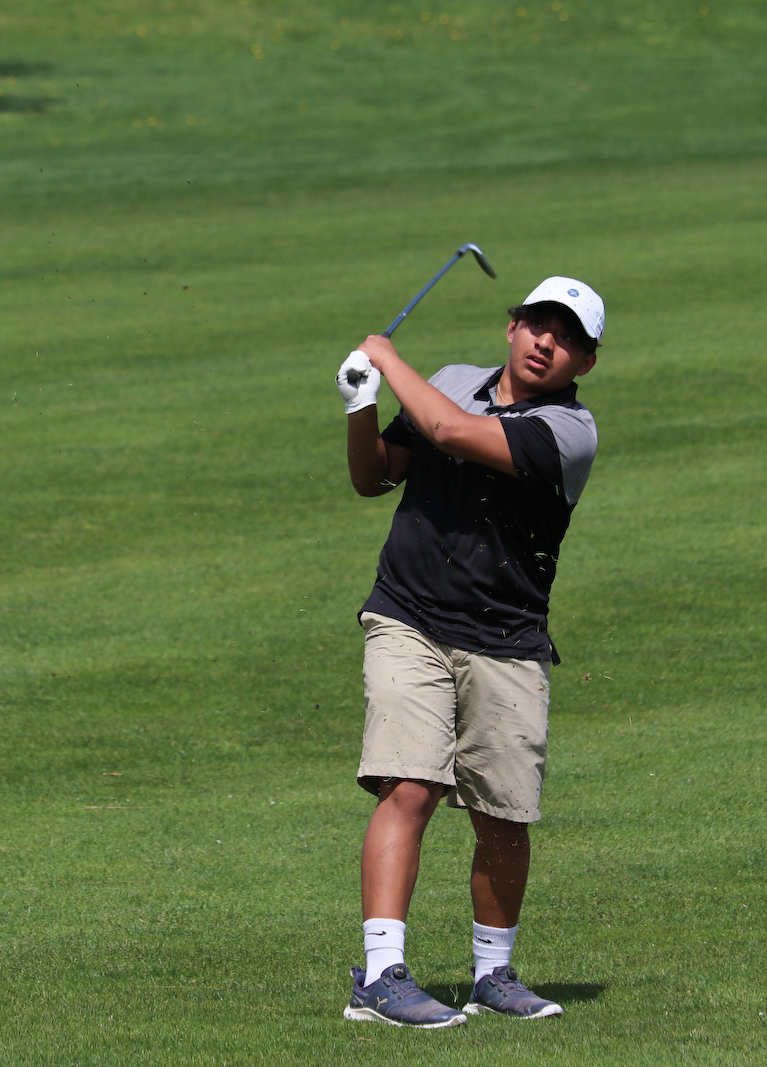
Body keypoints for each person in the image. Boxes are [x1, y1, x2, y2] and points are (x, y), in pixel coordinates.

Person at [334, 277, 604, 1028]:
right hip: (409, 617)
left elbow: (451, 433)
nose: (547, 343)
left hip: (507, 637)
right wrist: (360, 406)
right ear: (512, 327)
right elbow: (375, 476)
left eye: (568, 338)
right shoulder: (451, 380)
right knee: (409, 785)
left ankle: (493, 975)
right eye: (539, 324)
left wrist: (387, 358)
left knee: (503, 815)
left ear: (586, 362)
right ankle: (380, 976)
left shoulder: (568, 431)